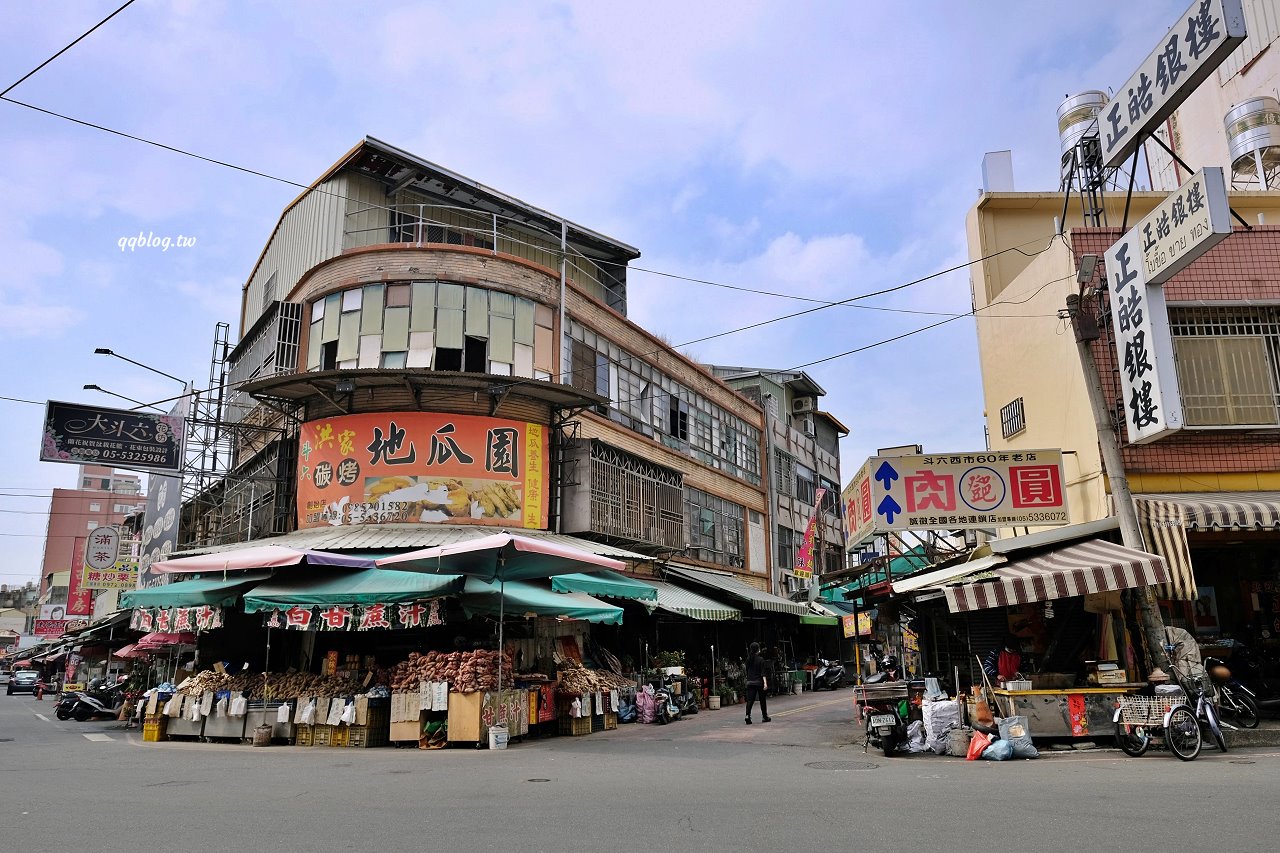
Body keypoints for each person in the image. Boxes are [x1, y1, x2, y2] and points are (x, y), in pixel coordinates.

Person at [744, 642, 770, 724]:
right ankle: (764, 716)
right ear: (758, 650)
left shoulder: (748, 659)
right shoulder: (761, 659)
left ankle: (747, 715)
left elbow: (747, 670)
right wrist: (765, 683)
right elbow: (763, 673)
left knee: (750, 700)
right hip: (759, 682)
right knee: (762, 700)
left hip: (750, 682)